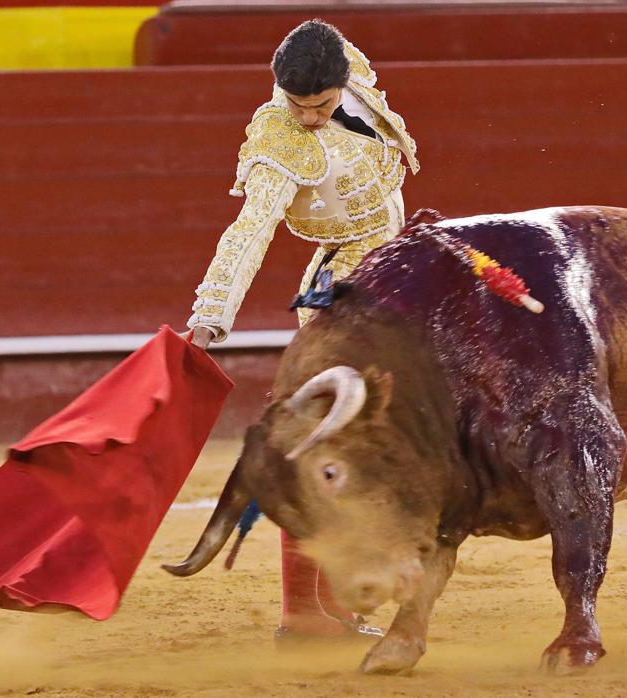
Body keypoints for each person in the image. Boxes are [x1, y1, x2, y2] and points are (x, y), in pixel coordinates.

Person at [184, 19, 418, 642]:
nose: (310, 117)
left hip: (398, 255)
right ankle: (308, 611)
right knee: (329, 442)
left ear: (343, 80)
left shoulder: (353, 70)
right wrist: (210, 318)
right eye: (298, 105)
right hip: (342, 283)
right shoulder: (277, 140)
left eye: (321, 104)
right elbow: (249, 231)